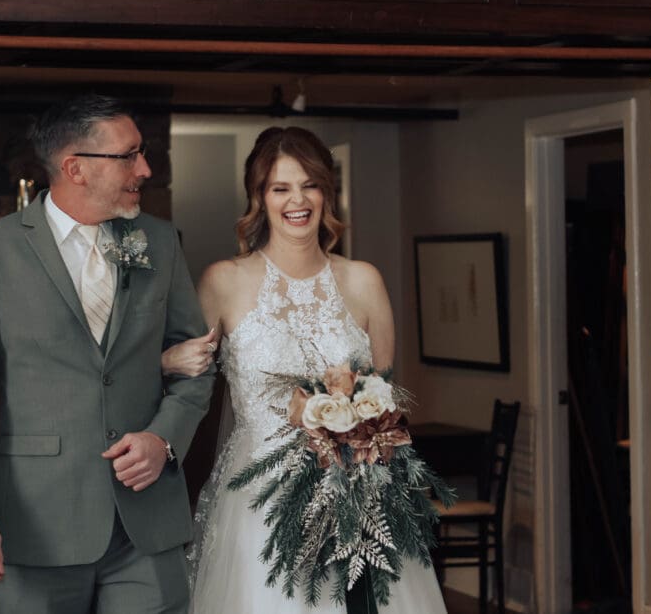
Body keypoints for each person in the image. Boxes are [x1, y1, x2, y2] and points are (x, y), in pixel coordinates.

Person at [0, 94, 216, 614]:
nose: (145, 168)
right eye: (128, 155)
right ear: (75, 168)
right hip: (37, 525)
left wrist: (164, 438)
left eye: (143, 152)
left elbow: (196, 363)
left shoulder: (158, 240)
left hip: (146, 527)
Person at [164, 126, 447, 613]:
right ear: (260, 197)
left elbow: (382, 405)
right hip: (259, 500)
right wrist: (166, 360)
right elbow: (184, 383)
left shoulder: (363, 281)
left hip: (356, 493)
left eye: (310, 185)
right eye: (280, 188)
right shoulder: (223, 282)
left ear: (327, 192)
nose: (298, 200)